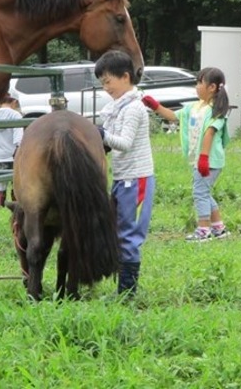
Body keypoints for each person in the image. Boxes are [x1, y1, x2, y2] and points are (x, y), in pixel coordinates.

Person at [143, 67, 230, 241]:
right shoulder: (194, 108)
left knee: (200, 193)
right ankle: (218, 228)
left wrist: (204, 158)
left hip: (209, 160)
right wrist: (156, 106)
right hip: (200, 160)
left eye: (199, 83)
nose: (196, 86)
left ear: (212, 87)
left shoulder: (216, 111)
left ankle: (203, 230)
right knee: (203, 192)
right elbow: (173, 117)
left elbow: (209, 133)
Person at [94, 50, 156, 296]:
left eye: (108, 81)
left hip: (137, 179)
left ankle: (127, 293)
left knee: (129, 235)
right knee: (118, 231)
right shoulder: (116, 109)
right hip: (122, 179)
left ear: (125, 77)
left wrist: (101, 134)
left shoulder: (134, 109)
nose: (105, 87)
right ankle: (122, 287)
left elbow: (125, 142)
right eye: (102, 83)